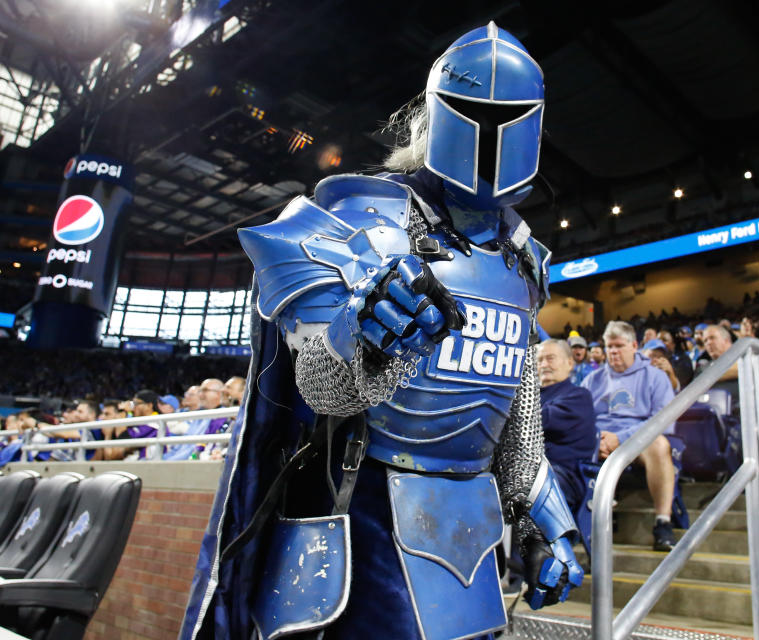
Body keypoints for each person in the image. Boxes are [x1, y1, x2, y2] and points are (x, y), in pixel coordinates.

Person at [181, 23, 582, 640]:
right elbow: (321, 388)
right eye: (475, 112)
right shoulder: (355, 221)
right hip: (358, 536)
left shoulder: (521, 257)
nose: (491, 135)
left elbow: (513, 407)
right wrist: (368, 338)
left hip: (474, 549)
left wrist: (540, 519)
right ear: (438, 117)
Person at [582, 321, 677, 551]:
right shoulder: (592, 380)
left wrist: (620, 438)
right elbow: (580, 418)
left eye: (618, 346)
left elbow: (663, 421)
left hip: (639, 439)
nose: (613, 351)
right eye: (608, 346)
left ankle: (663, 522)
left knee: (659, 443)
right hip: (600, 439)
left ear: (634, 345)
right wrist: (599, 439)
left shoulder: (655, 377)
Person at [537, 339, 597, 514]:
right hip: (529, 472)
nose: (543, 365)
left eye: (550, 358)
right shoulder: (529, 396)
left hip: (562, 476)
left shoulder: (579, 397)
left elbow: (541, 419)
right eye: (539, 360)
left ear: (570, 363)